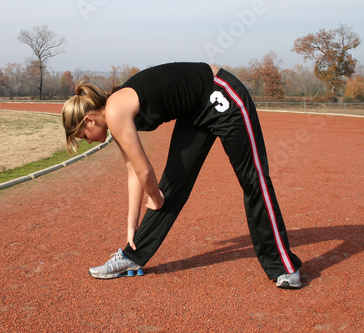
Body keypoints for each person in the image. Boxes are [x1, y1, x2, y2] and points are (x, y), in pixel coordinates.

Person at [61, 62, 302, 289]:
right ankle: (132, 256)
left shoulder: (114, 111)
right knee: (171, 185)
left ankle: (284, 267)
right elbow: (134, 172)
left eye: (83, 136)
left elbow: (146, 171)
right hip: (195, 111)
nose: (88, 141)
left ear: (89, 120)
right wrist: (131, 223)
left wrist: (155, 198)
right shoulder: (113, 114)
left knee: (253, 179)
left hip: (221, 93)